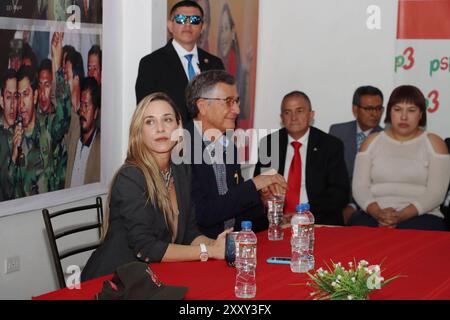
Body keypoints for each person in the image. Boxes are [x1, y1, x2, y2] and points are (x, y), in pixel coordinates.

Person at [81, 92, 228, 281]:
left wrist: (218, 244)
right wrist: (208, 251)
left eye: (167, 120)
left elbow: (190, 233)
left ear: (179, 126)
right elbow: (147, 247)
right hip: (113, 281)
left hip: (152, 278)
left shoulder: (181, 171)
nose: (160, 128)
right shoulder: (131, 176)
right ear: (139, 132)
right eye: (150, 122)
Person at [184, 70, 287, 239]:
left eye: (237, 101)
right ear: (202, 106)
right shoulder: (182, 148)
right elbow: (203, 215)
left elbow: (233, 207)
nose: (237, 109)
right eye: (229, 101)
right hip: (200, 250)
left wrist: (263, 199)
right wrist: (254, 184)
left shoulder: (228, 144)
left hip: (234, 245)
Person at [351, 85, 450, 231]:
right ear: (389, 112)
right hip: (374, 214)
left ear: (421, 114)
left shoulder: (435, 143)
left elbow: (436, 193)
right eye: (397, 110)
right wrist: (378, 213)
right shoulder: (371, 142)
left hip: (421, 215)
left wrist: (401, 216)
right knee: (356, 227)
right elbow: (359, 188)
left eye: (411, 110)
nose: (404, 117)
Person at [254, 91, 350, 226]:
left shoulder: (330, 145)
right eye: (287, 112)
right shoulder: (269, 144)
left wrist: (303, 213)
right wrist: (265, 196)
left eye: (299, 111)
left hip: (317, 220)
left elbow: (340, 193)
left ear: (311, 115)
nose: (293, 117)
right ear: (281, 118)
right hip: (276, 222)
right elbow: (258, 187)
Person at [135, 0, 225, 123]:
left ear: (202, 27)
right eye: (181, 19)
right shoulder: (151, 64)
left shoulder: (215, 64)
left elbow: (224, 107)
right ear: (170, 26)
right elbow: (145, 111)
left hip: (210, 138)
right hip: (171, 138)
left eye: (194, 20)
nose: (187, 25)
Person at [329, 85, 384, 224]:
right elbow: (330, 175)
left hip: (371, 204)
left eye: (378, 109)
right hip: (337, 201)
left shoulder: (385, 138)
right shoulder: (337, 131)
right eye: (369, 109)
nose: (374, 114)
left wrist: (354, 205)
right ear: (355, 109)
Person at [216, 3, 252, 126]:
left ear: (232, 33)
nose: (222, 36)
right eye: (221, 30)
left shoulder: (240, 70)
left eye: (226, 29)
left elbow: (245, 112)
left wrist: (246, 72)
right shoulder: (213, 67)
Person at [65, 77, 101, 187]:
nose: (82, 111)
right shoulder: (74, 133)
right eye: (81, 104)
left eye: (86, 106)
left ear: (95, 113)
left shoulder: (100, 148)